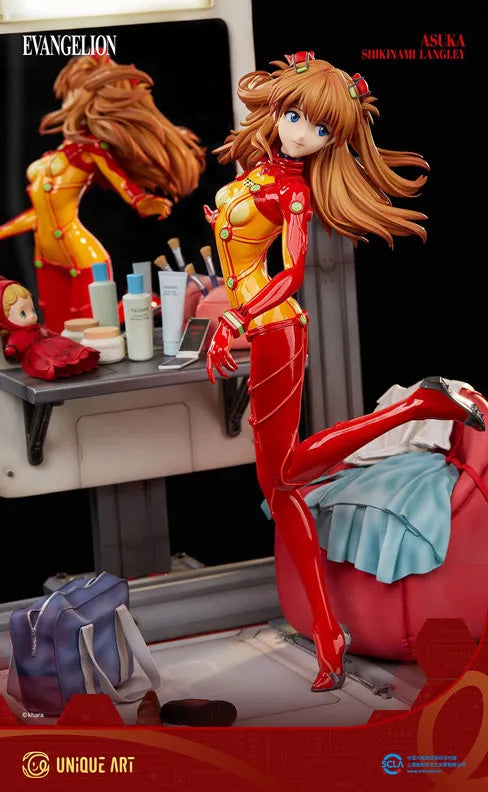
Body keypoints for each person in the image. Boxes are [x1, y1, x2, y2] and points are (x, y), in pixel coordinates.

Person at [204, 52, 485, 692]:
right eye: (295, 117)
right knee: (284, 492)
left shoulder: (292, 191)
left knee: (283, 475)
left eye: (321, 129)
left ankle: (418, 407)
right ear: (279, 108)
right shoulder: (257, 169)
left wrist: (235, 317)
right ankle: (329, 633)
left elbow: (290, 275)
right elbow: (239, 250)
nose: (302, 134)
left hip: (276, 328)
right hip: (257, 323)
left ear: (333, 141)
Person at [0, 54, 206, 332]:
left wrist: (142, 201)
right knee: (56, 332)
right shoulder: (58, 153)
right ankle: (140, 303)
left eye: (76, 91)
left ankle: (143, 304)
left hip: (82, 258)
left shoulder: (92, 150)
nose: (68, 100)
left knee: (91, 330)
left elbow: (122, 183)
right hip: (46, 258)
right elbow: (40, 215)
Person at [0, 277, 99, 380]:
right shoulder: (20, 335)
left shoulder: (36, 328)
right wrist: (12, 348)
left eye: (32, 310)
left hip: (48, 343)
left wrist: (54, 335)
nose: (32, 316)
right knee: (48, 359)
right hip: (37, 353)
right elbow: (16, 343)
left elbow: (47, 333)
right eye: (23, 314)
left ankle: (76, 361)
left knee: (66, 349)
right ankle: (60, 367)